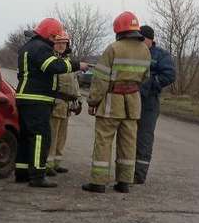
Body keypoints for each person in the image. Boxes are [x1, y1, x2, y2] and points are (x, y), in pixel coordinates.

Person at [82, 11, 151, 194]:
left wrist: (93, 100)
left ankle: (98, 182)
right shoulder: (145, 50)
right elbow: (145, 77)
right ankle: (124, 182)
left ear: (118, 29)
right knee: (128, 142)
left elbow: (101, 79)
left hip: (111, 103)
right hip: (133, 104)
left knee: (103, 142)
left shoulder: (113, 48)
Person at [16, 18, 87, 188]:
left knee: (26, 136)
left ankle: (22, 171)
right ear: (49, 34)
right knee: (41, 136)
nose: (56, 41)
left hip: (26, 97)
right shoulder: (41, 48)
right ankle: (38, 176)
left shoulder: (29, 47)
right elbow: (53, 66)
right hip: (37, 99)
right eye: (55, 37)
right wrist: (77, 65)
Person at [134, 24, 176, 184]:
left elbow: (170, 75)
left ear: (151, 40)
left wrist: (149, 84)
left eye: (143, 39)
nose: (140, 42)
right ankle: (124, 171)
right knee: (128, 136)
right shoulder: (134, 53)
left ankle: (139, 174)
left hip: (149, 102)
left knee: (144, 137)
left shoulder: (161, 55)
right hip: (131, 99)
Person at [47, 31, 82, 175]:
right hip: (56, 103)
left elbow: (75, 82)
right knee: (52, 135)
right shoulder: (52, 62)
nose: (61, 46)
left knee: (62, 136)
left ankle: (56, 163)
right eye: (58, 43)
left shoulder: (68, 61)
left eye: (64, 43)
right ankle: (47, 165)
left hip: (67, 105)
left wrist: (78, 99)